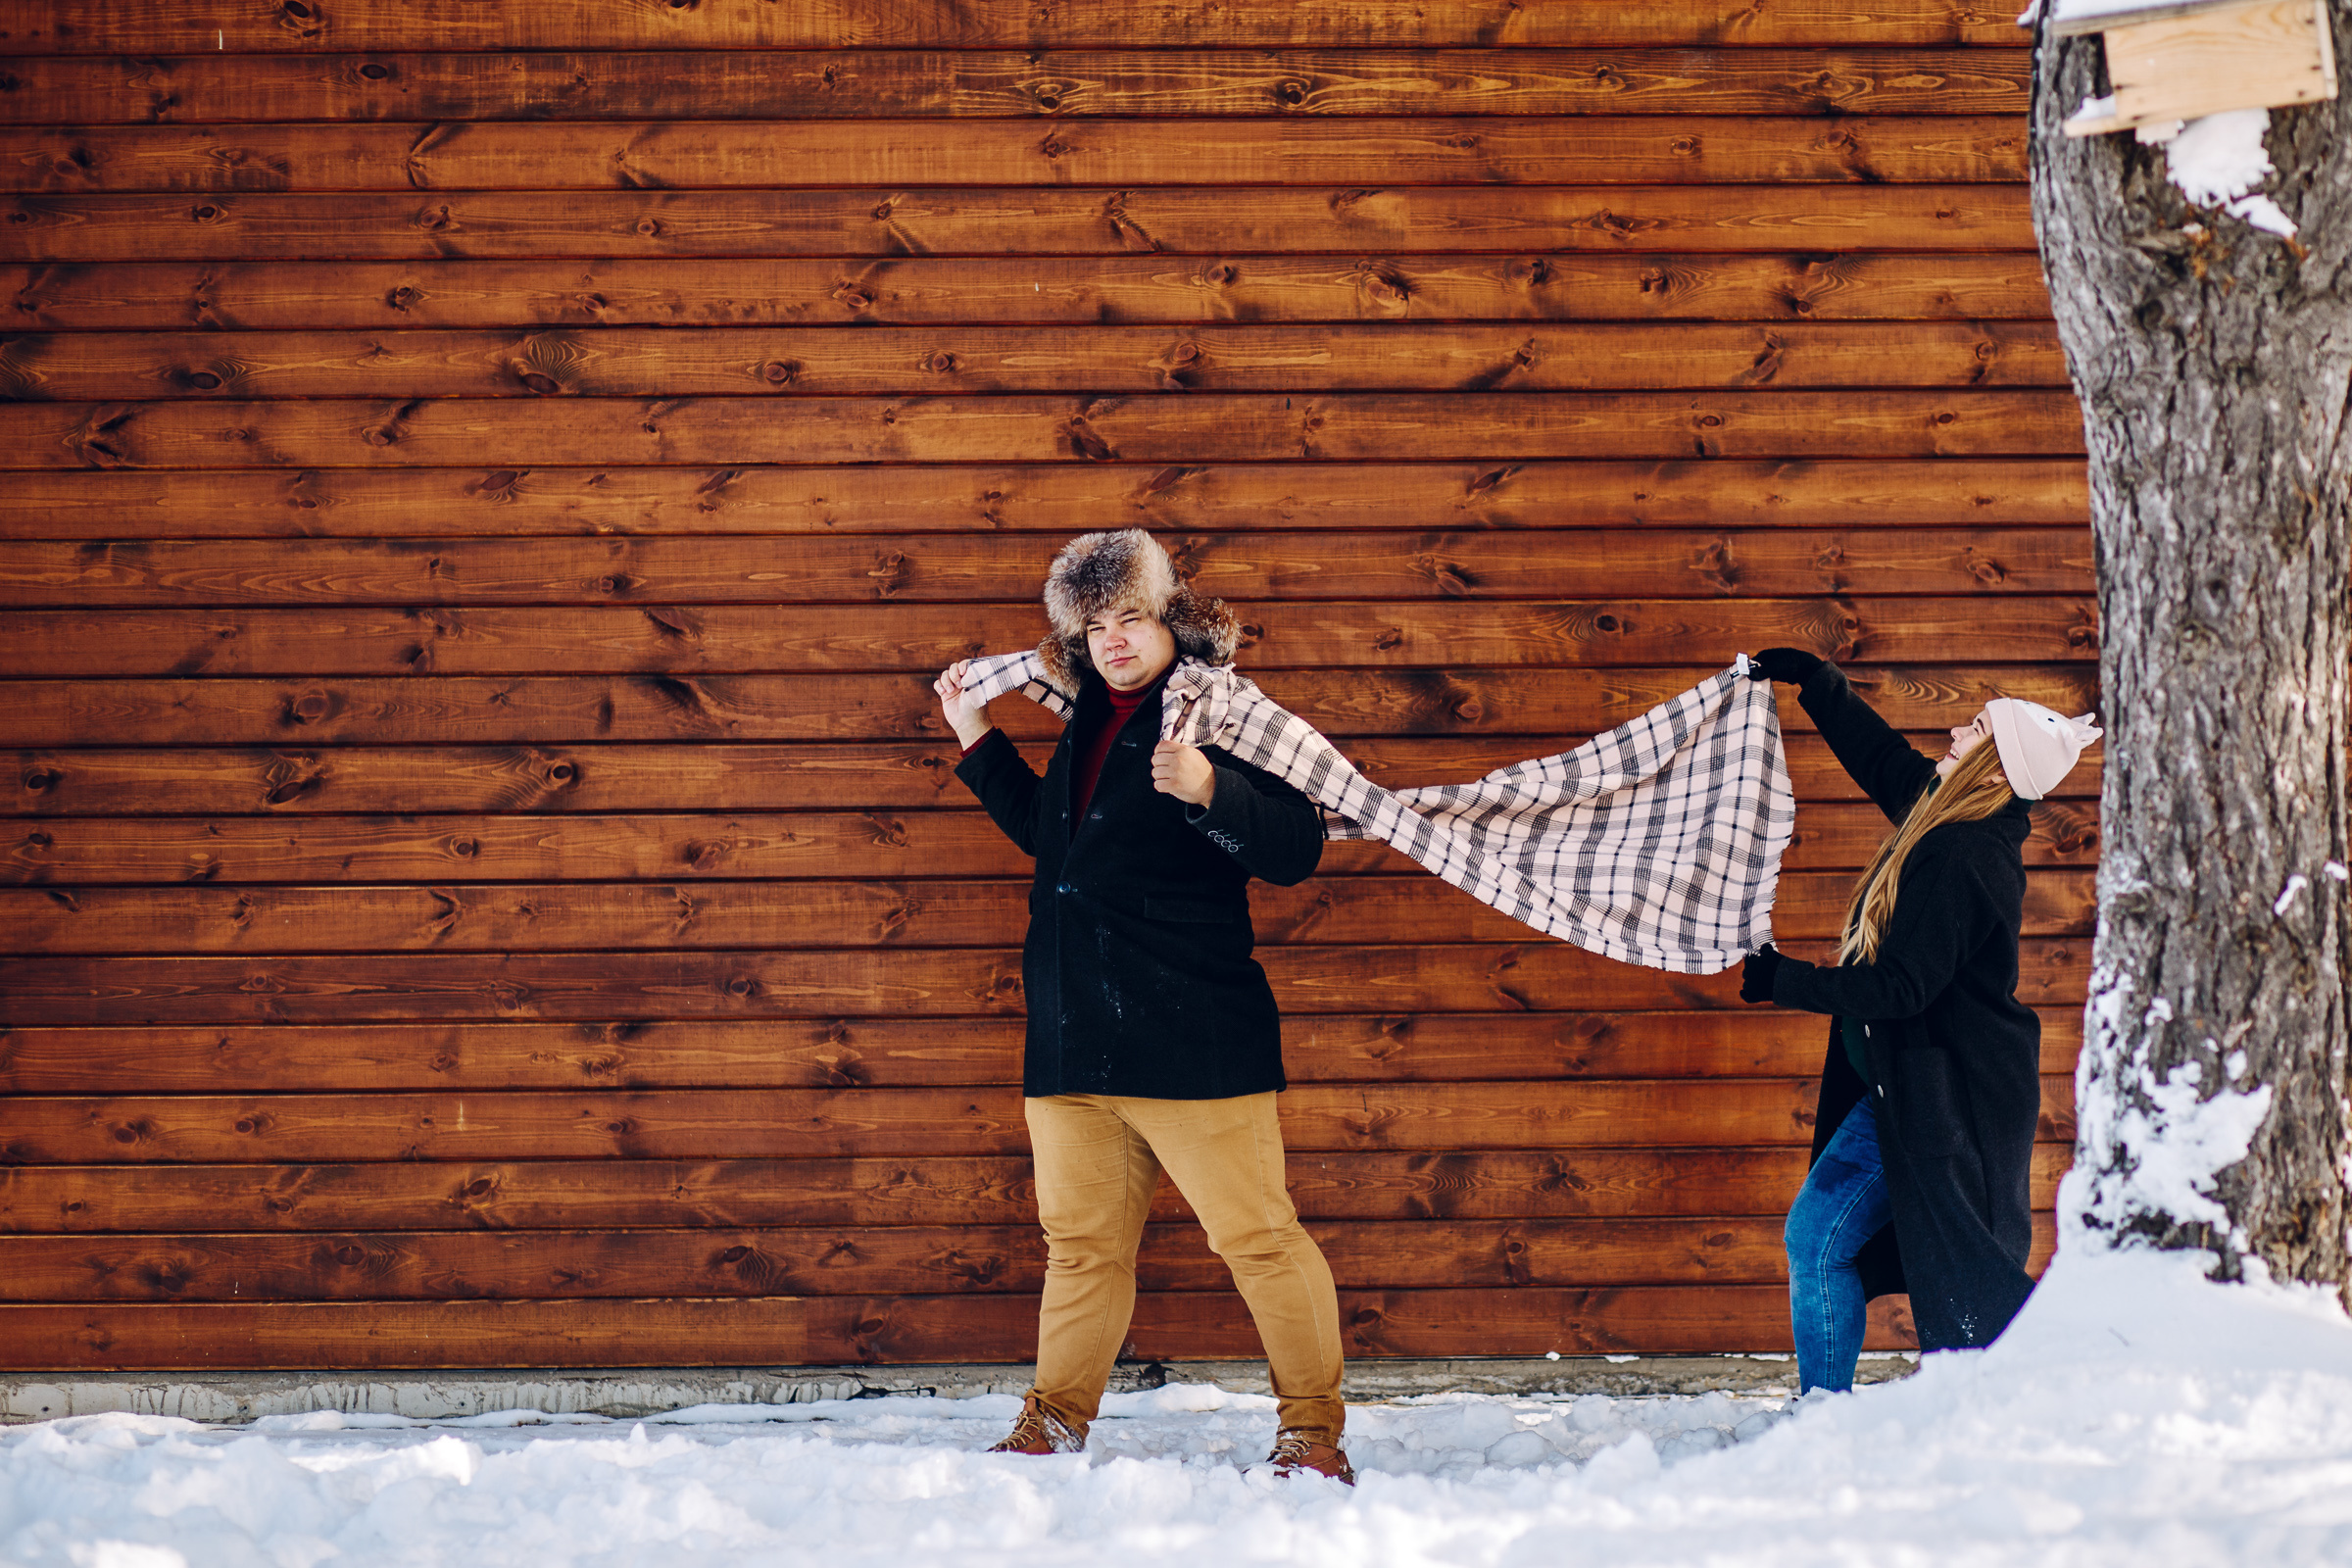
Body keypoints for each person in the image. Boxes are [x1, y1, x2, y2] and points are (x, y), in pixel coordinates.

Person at [933, 528, 1353, 1482]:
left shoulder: (1221, 712)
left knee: (1258, 1240)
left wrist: (1210, 790)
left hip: (1193, 1037)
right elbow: (1058, 846)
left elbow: (1297, 846)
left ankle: (1312, 1432)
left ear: (1169, 618)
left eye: (1131, 616)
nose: (1115, 638)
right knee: (1080, 1249)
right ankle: (1054, 1419)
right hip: (1076, 1038)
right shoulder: (1091, 716)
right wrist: (973, 734)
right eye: (1096, 623)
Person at [1739, 648, 2098, 1393]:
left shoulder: (1967, 856)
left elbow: (1901, 987)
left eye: (1973, 732)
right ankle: (1835, 1409)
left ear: (1994, 771)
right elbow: (1883, 761)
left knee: (1907, 1259)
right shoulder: (1944, 815)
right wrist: (1819, 684)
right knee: (1823, 1240)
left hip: (1948, 1096)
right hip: (1910, 1082)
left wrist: (1785, 980)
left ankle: (1845, 1411)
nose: (1954, 736)